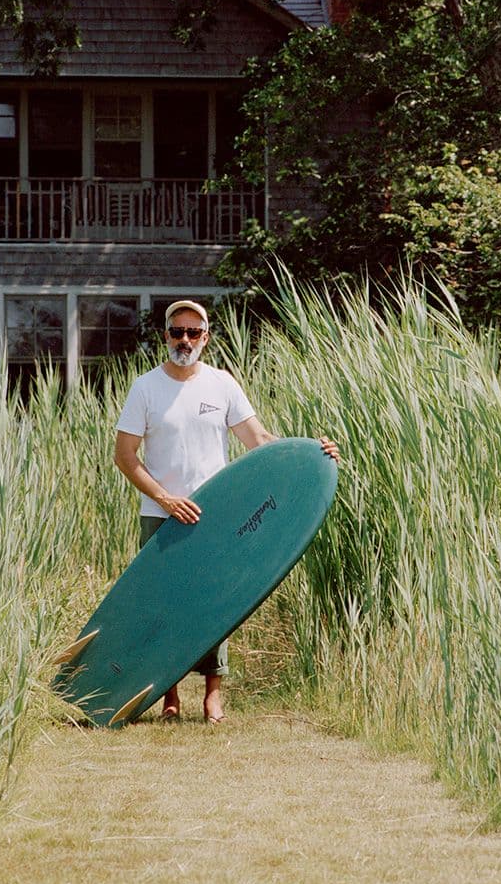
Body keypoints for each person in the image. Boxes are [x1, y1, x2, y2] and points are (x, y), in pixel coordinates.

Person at [113, 299, 340, 724]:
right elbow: (124, 456)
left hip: (215, 511)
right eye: (177, 331)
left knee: (216, 602)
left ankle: (213, 695)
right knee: (164, 604)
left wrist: (314, 454)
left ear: (206, 338)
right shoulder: (145, 388)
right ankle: (170, 697)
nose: (185, 340)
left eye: (193, 333)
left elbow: (258, 439)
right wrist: (164, 498)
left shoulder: (222, 385)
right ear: (165, 336)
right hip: (162, 513)